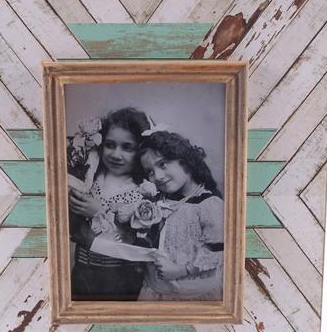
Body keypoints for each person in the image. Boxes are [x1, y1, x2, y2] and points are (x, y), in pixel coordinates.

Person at [69, 107, 150, 301]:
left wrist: (100, 211)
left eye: (127, 147)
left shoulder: (143, 190)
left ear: (140, 151)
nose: (116, 154)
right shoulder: (90, 176)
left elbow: (135, 243)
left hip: (121, 277)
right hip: (83, 271)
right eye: (110, 145)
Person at [138, 131, 224, 301]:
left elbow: (218, 252)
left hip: (193, 295)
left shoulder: (208, 205)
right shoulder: (156, 201)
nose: (157, 176)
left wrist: (181, 270)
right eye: (150, 172)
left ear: (185, 160)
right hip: (155, 291)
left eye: (163, 164)